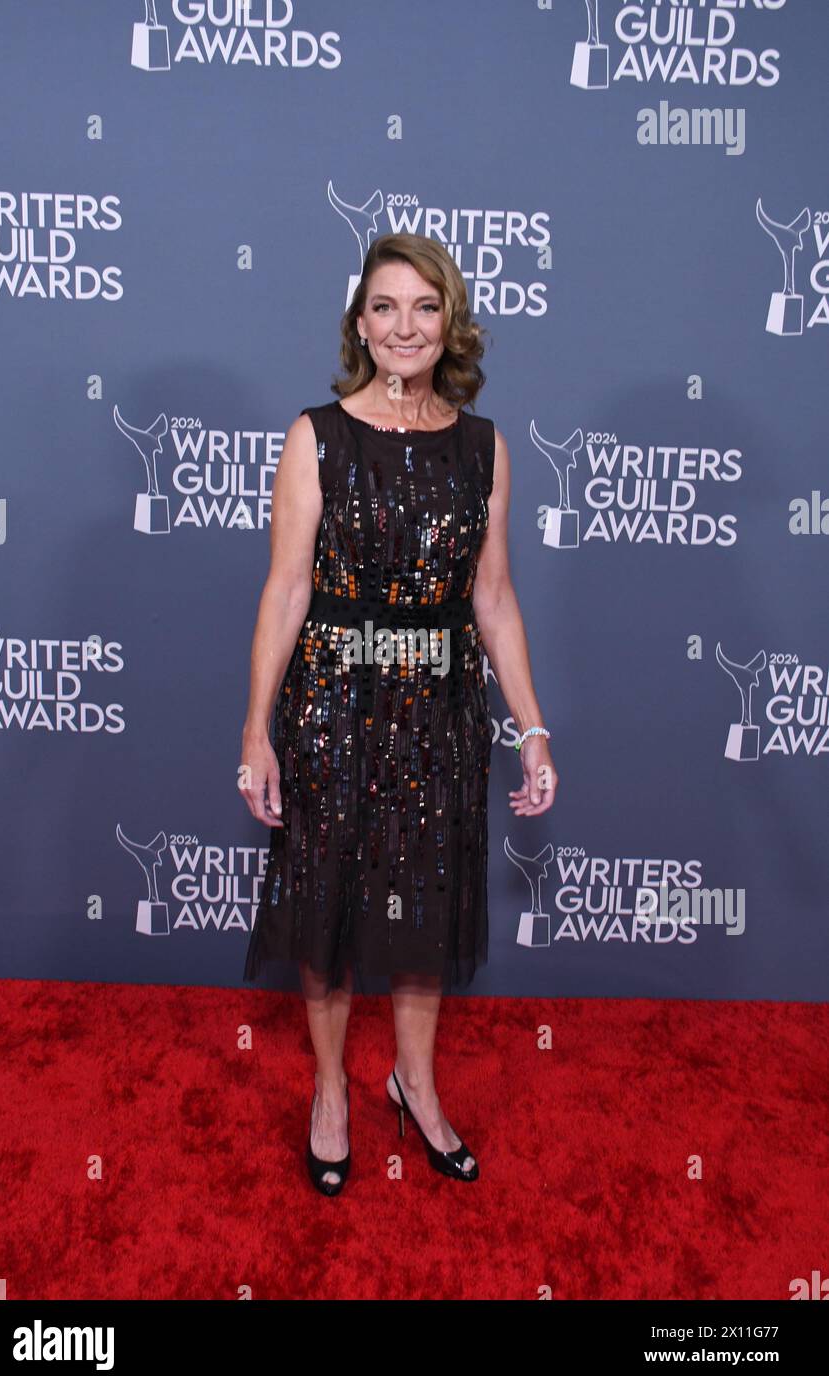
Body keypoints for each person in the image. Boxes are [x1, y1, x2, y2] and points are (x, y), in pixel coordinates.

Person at [239, 233, 557, 1194]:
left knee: (426, 909)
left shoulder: (483, 445)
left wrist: (533, 728)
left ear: (449, 321)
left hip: (442, 713)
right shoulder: (317, 436)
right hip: (332, 702)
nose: (405, 326)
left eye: (424, 307)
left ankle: (413, 1081)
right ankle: (331, 1090)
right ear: (361, 323)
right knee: (327, 909)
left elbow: (493, 598)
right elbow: (287, 589)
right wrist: (258, 731)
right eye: (385, 306)